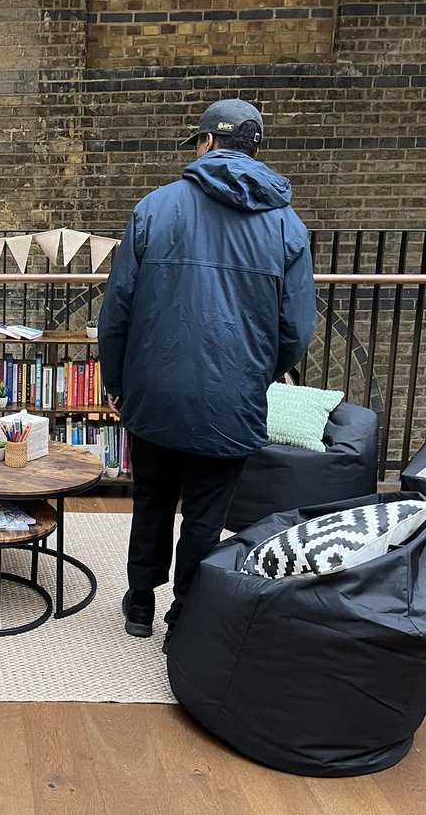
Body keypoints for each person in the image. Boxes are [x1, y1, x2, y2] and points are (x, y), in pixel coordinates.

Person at [98, 98, 316, 651]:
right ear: (255, 150)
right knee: (205, 514)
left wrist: (118, 382)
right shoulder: (286, 226)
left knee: (151, 500)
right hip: (231, 398)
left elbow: (117, 308)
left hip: (156, 391)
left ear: (205, 144)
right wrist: (252, 372)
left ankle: (139, 606)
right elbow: (297, 329)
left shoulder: (154, 208)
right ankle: (185, 616)